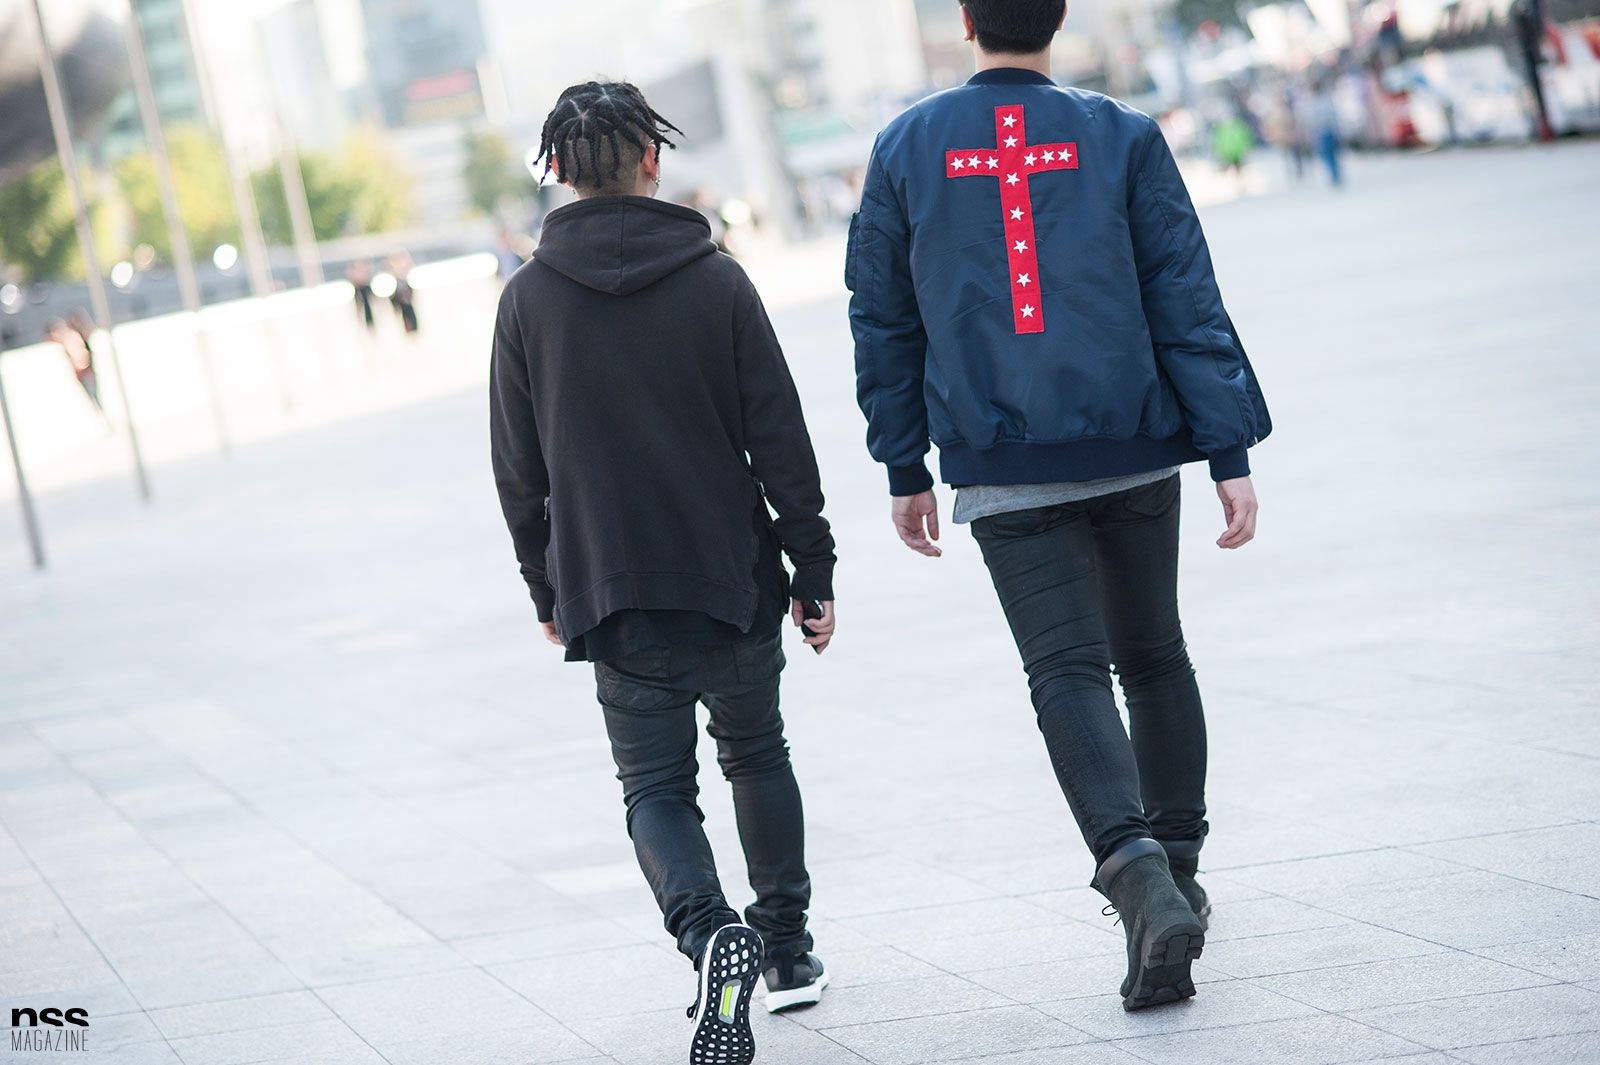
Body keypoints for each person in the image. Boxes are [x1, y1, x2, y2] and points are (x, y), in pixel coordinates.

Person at [848, 0, 1272, 1011]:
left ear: (964, 21)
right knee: (1154, 656)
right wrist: (1225, 448)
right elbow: (1183, 292)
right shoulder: (1122, 134)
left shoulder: (904, 146)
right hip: (1133, 449)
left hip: (1002, 462)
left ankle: (1137, 876)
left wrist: (903, 464)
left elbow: (883, 317)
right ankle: (1178, 869)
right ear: (1061, 15)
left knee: (1065, 671)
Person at [490, 80, 837, 1063]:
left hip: (610, 586)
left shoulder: (526, 302)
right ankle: (785, 951)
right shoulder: (717, 280)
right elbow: (780, 436)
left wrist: (546, 588)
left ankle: (706, 929)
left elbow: (517, 472)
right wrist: (811, 566)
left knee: (654, 787)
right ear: (653, 159)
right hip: (732, 575)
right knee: (756, 754)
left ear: (557, 172)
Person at [46, 316, 105, 418]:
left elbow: (81, 354)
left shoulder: (71, 337)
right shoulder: (65, 339)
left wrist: (82, 367)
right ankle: (101, 414)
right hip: (81, 373)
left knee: (95, 396)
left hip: (84, 372)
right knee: (92, 397)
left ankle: (102, 414)